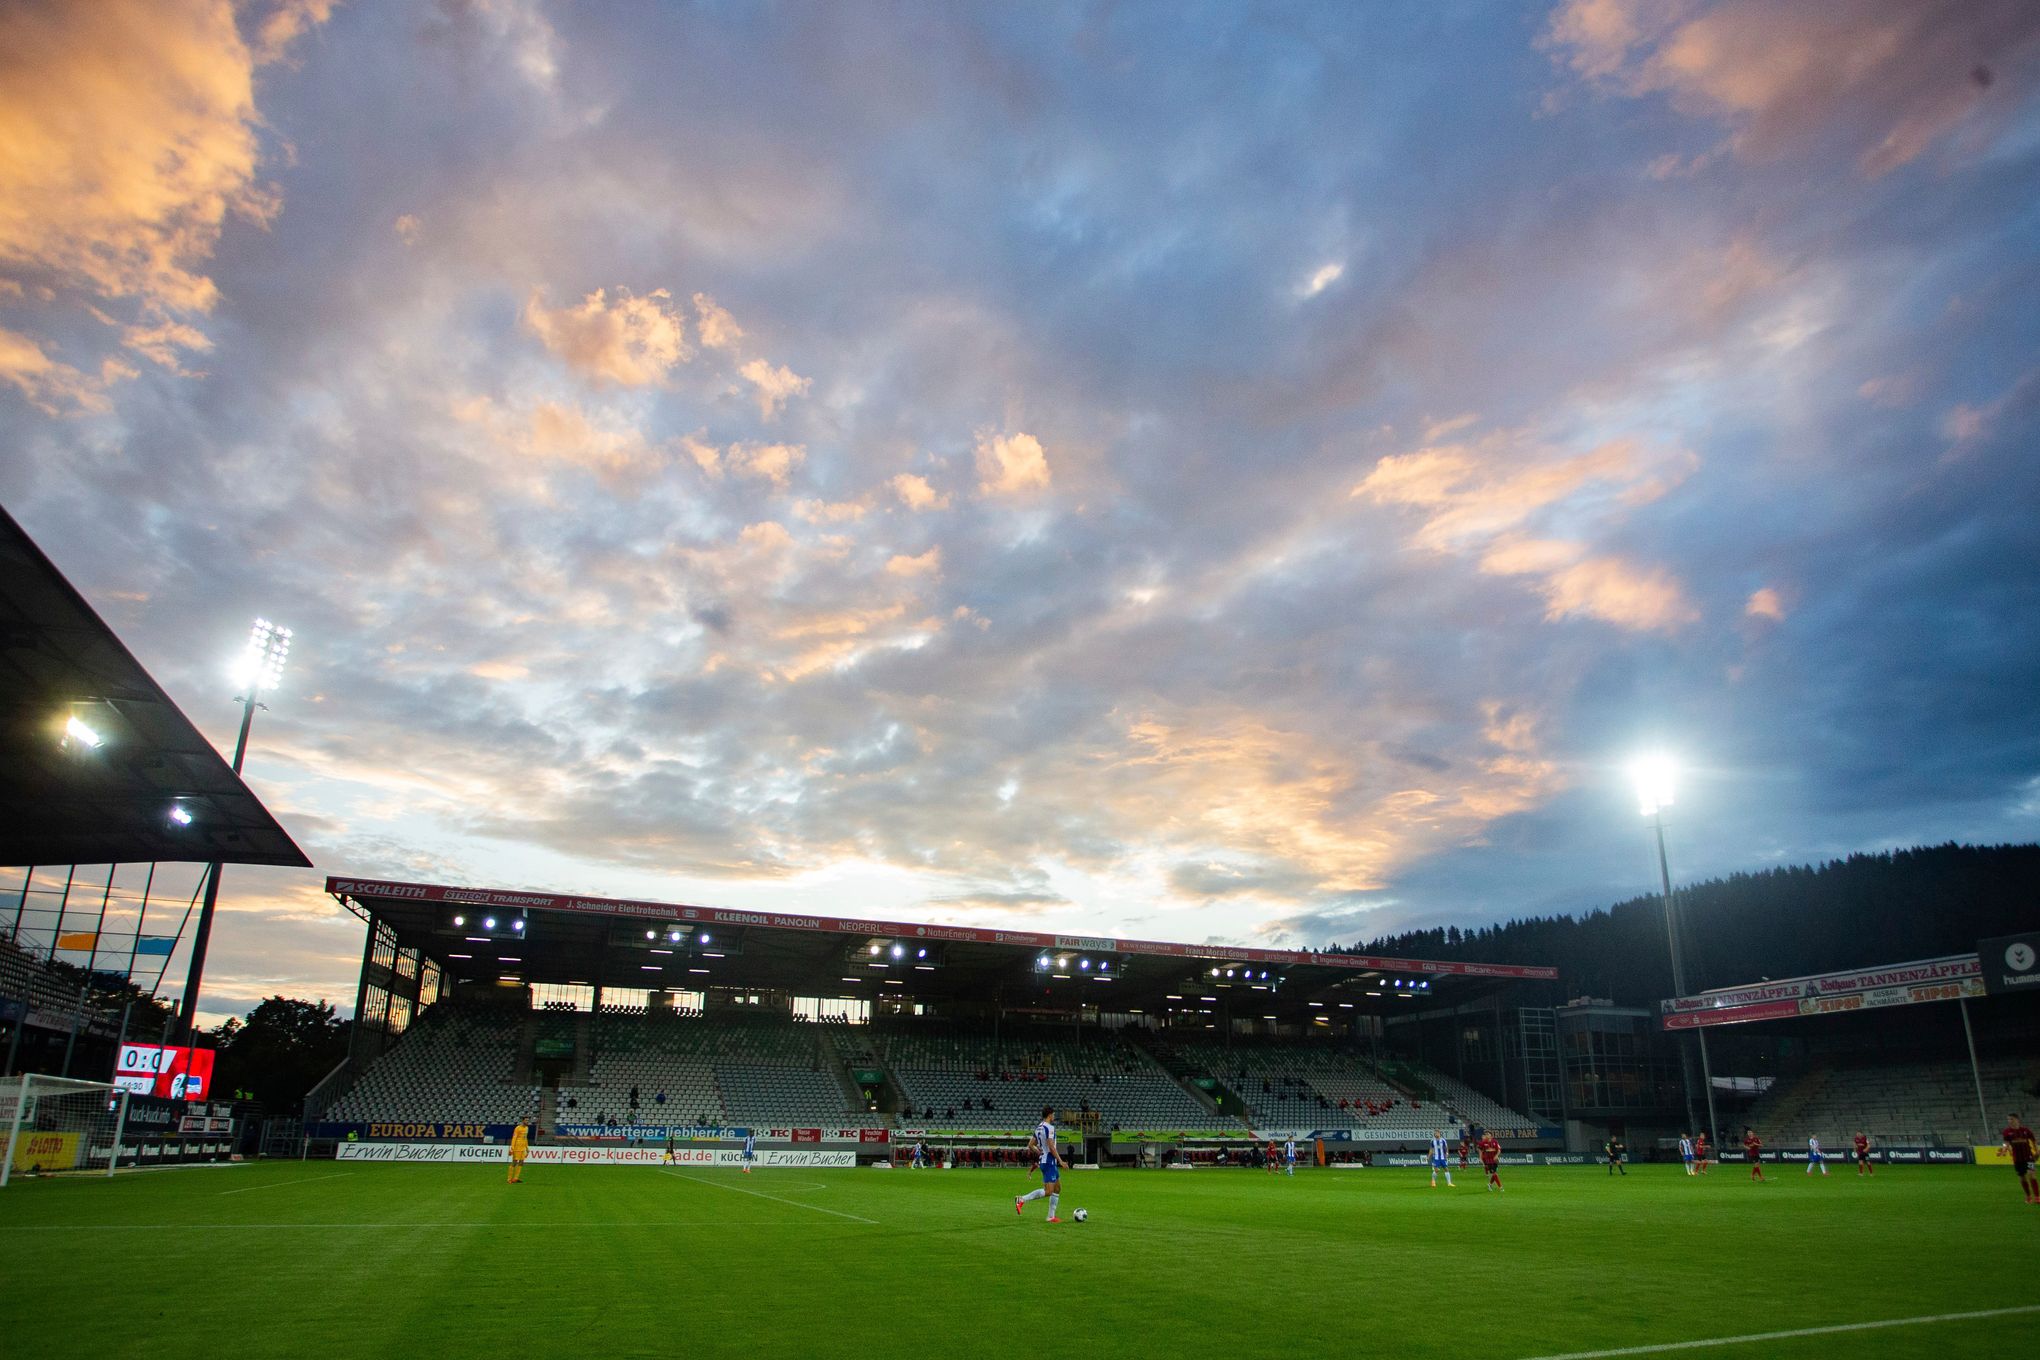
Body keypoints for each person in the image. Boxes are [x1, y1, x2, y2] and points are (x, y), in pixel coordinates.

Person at [1015, 1106, 1066, 1223]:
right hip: (1049, 1162)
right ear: (1049, 1115)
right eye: (1053, 1114)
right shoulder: (1050, 1128)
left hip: (1046, 1160)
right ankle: (1021, 1199)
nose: (1054, 1116)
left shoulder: (1039, 1127)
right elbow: (1051, 1146)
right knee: (1048, 1191)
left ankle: (1051, 1216)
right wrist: (1060, 1161)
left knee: (1057, 1189)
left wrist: (1040, 1153)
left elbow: (1030, 1145)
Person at [1999, 1112, 2038, 1205]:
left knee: (2032, 1174)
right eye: (2008, 1119)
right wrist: (2004, 1149)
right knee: (2022, 1178)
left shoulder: (2026, 1130)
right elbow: (2006, 1142)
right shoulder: (2007, 1132)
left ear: (2017, 1120)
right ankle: (2028, 1196)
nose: (2010, 1121)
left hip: (2029, 1157)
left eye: (2011, 1119)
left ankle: (2037, 1197)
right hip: (2017, 1158)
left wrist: (2037, 1151)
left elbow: (2034, 1140)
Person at [508, 1117, 529, 1185]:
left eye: (528, 1120)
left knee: (521, 1162)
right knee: (514, 1162)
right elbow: (514, 1138)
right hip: (517, 1147)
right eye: (526, 1120)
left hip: (523, 1148)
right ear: (522, 1121)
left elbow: (525, 1138)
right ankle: (509, 1179)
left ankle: (515, 1178)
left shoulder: (526, 1128)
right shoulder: (517, 1128)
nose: (527, 1121)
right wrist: (512, 1147)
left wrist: (527, 1148)